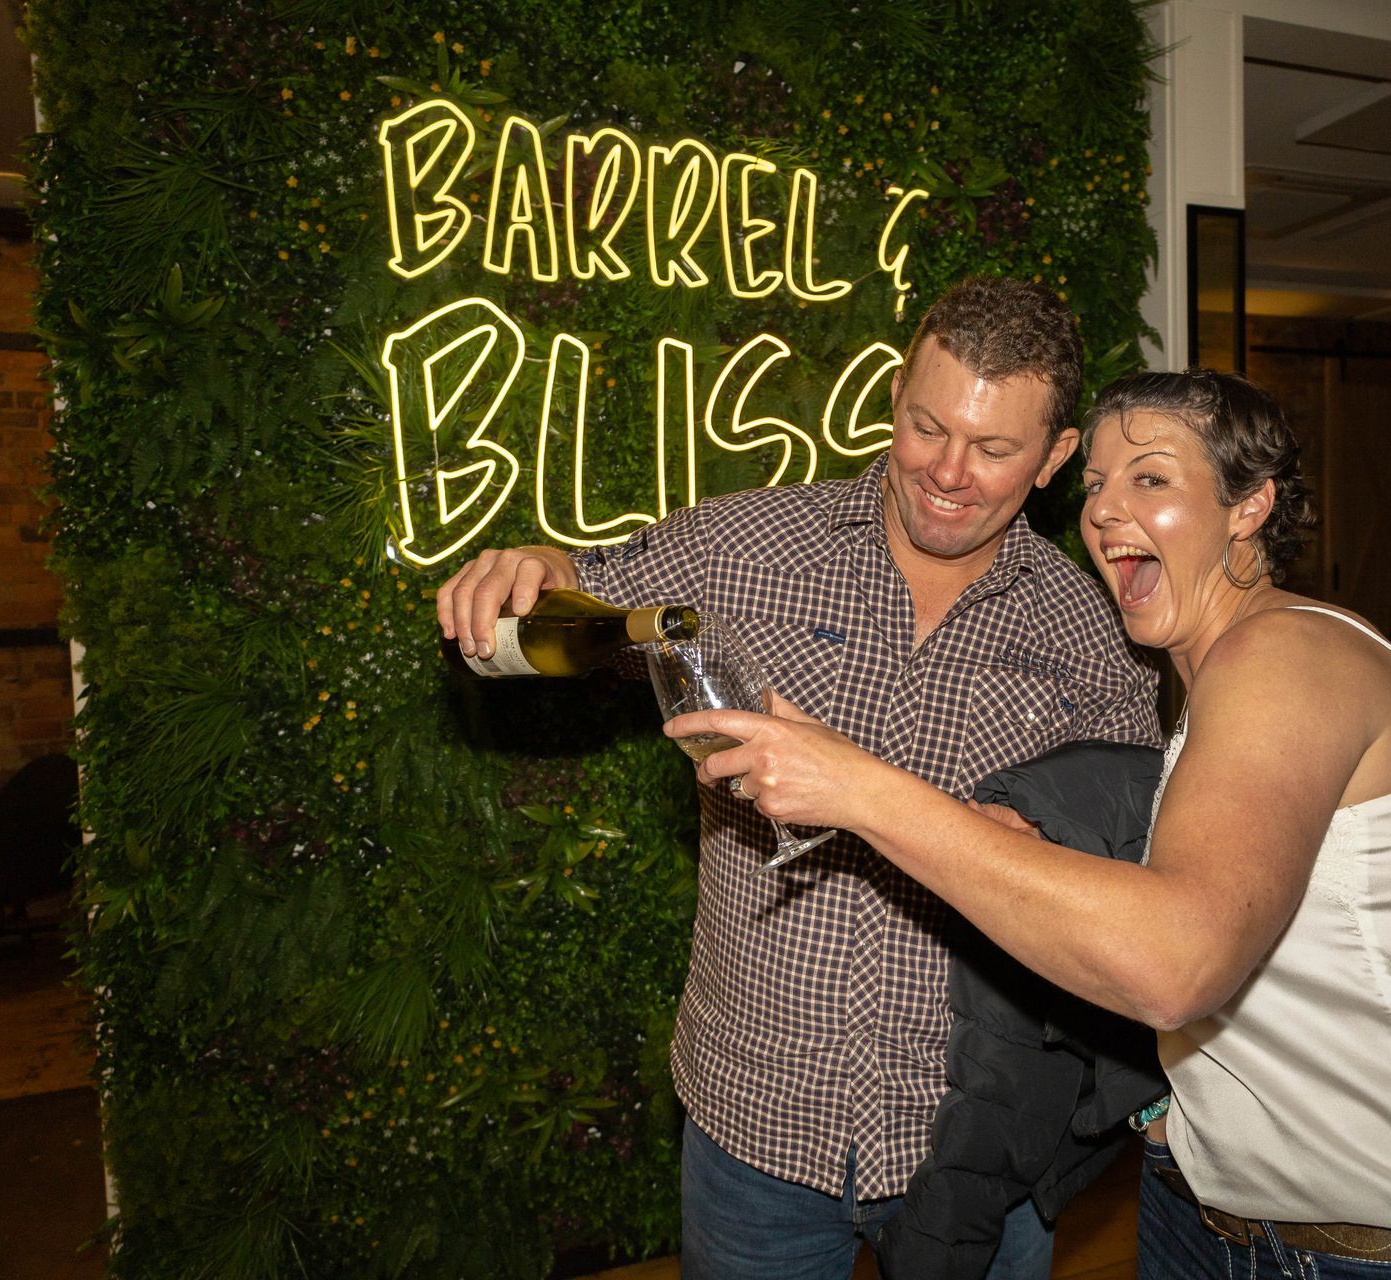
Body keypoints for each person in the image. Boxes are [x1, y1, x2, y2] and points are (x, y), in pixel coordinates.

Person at [673, 370, 1391, 1279]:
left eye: (1151, 479)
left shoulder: (1290, 651)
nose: (1105, 510)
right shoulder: (1205, 688)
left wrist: (857, 788)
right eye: (1097, 484)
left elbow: (1175, 961)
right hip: (1209, 1212)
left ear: (1250, 506)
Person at [437, 277, 1162, 1279]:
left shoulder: (1091, 639)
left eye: (994, 449)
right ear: (896, 400)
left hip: (971, 1138)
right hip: (757, 1125)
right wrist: (530, 562)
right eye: (925, 425)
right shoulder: (744, 546)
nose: (949, 471)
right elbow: (585, 588)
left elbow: (1125, 896)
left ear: (1054, 458)